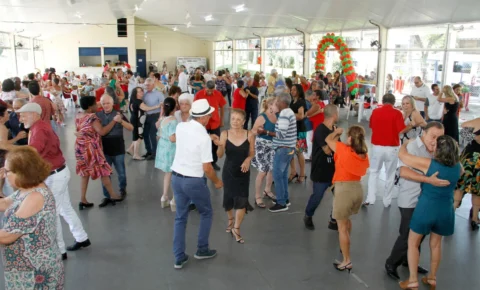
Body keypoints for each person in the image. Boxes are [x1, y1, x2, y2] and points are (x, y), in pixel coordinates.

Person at [16, 102, 90, 258]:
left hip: (55, 176)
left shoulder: (39, 129)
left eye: (23, 114)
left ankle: (59, 250)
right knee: (64, 208)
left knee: (53, 213)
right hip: (58, 173)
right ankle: (81, 237)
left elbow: (34, 150)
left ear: (33, 114)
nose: (20, 118)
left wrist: (11, 150)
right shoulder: (39, 127)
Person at [385, 122, 447, 280]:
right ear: (424, 133)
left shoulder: (436, 150)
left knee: (421, 233)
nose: (436, 141)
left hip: (426, 200)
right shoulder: (412, 148)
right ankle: (391, 263)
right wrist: (428, 180)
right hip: (410, 199)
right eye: (433, 136)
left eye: (439, 138)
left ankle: (408, 260)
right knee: (407, 235)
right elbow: (404, 172)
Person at [398, 135, 462, 290]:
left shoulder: (429, 164)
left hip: (427, 207)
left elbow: (403, 156)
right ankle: (432, 277)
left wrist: (405, 143)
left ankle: (413, 280)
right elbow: (458, 176)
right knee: (436, 245)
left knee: (413, 243)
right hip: (446, 210)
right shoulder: (458, 167)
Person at [0, 146, 64, 289]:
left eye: (7, 171)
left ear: (22, 172)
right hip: (24, 270)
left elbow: (7, 236)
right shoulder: (27, 190)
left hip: (34, 272)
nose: (4, 175)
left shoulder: (35, 197)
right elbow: (4, 203)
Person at [170, 99, 223, 269]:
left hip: (176, 177)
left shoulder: (181, 126)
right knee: (206, 212)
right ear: (205, 118)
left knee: (180, 217)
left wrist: (209, 136)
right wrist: (217, 182)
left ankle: (179, 257)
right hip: (194, 180)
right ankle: (202, 249)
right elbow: (207, 168)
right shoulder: (204, 139)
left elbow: (188, 137)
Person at [325, 125, 370, 272]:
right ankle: (344, 247)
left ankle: (346, 260)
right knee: (347, 220)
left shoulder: (342, 149)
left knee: (342, 228)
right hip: (357, 189)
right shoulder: (363, 154)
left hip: (344, 190)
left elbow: (327, 139)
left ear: (350, 138)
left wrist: (336, 132)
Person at [75, 96, 124, 208]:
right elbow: (102, 132)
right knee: (103, 171)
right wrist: (114, 121)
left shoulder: (78, 115)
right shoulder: (92, 117)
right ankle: (113, 195)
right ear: (89, 107)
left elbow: (80, 130)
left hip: (80, 147)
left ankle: (83, 199)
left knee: (84, 173)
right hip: (91, 149)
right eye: (95, 104)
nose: (98, 105)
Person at [214, 109, 255, 243]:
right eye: (233, 119)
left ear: (243, 121)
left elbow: (252, 153)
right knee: (229, 198)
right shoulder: (224, 134)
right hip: (229, 171)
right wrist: (220, 145)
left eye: (238, 119)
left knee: (242, 200)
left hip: (243, 172)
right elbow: (220, 155)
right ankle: (230, 219)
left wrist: (248, 160)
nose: (235, 122)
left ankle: (236, 228)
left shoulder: (249, 134)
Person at [365, 94, 407, 207]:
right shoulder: (397, 113)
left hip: (377, 146)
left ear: (383, 101)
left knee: (374, 172)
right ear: (393, 102)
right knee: (390, 174)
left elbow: (371, 126)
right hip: (392, 147)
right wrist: (411, 125)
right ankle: (387, 200)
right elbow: (401, 130)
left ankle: (370, 198)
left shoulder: (375, 112)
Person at [259, 92, 296, 212]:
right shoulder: (289, 112)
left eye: (278, 101)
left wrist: (265, 132)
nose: (276, 103)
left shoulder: (284, 114)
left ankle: (281, 203)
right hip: (288, 148)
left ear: (283, 103)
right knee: (283, 175)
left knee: (278, 175)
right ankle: (284, 198)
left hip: (283, 149)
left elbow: (280, 134)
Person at [304, 105, 339, 230]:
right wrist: (335, 134)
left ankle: (333, 220)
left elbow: (337, 148)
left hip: (334, 171)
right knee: (317, 196)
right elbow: (328, 150)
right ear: (334, 115)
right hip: (320, 170)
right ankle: (308, 214)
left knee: (339, 196)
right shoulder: (320, 130)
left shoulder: (333, 129)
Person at [97, 95, 133, 207]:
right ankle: (107, 195)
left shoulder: (119, 114)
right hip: (104, 148)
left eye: (108, 103)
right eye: (104, 103)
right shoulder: (97, 115)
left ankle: (122, 189)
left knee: (121, 172)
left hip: (118, 148)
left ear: (112, 103)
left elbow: (131, 128)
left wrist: (121, 121)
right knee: (105, 174)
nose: (106, 105)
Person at [252, 97, 278, 208]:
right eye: (277, 104)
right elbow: (253, 131)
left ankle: (267, 190)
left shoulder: (277, 116)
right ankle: (257, 196)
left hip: (272, 146)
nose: (279, 106)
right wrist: (258, 131)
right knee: (262, 171)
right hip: (261, 146)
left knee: (271, 169)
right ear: (271, 105)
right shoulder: (262, 117)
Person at [194, 80, 226, 171]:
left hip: (215, 122)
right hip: (202, 123)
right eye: (208, 90)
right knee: (202, 142)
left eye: (212, 90)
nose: (210, 92)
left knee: (215, 143)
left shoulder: (217, 94)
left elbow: (222, 107)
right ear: (205, 87)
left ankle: (213, 162)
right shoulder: (199, 94)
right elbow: (194, 109)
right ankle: (201, 162)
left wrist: (221, 120)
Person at [454, 117, 480, 230]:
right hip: (476, 160)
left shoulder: (477, 121)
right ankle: (475, 218)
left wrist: (472, 138)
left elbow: (464, 126)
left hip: (469, 156)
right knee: (477, 190)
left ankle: (451, 214)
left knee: (460, 186)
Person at [155, 97, 179, 208]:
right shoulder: (173, 120)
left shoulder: (163, 119)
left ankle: (164, 196)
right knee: (175, 174)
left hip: (163, 147)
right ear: (175, 107)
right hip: (171, 149)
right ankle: (174, 199)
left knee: (167, 174)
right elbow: (172, 138)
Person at [289, 84, 307, 183]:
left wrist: (289, 113)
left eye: (294, 90)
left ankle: (302, 173)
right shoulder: (292, 101)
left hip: (299, 130)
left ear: (299, 91)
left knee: (299, 152)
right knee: (291, 152)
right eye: (291, 90)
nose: (292, 91)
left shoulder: (301, 102)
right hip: (292, 129)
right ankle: (293, 172)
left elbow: (301, 116)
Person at [143, 78, 165, 160]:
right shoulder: (144, 94)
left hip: (155, 115)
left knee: (152, 134)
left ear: (153, 85)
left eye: (148, 85)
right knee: (145, 134)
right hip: (146, 116)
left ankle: (154, 153)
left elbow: (163, 106)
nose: (146, 86)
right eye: (145, 85)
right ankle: (148, 151)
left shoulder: (158, 94)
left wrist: (160, 118)